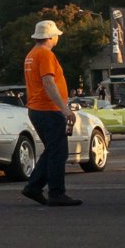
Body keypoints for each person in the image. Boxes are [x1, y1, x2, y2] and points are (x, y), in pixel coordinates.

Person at [21, 20, 82, 207]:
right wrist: (65, 109)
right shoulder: (45, 54)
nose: (57, 38)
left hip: (38, 109)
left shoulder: (31, 54)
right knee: (58, 152)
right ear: (50, 37)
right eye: (56, 35)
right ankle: (56, 192)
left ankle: (34, 186)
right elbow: (48, 82)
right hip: (48, 110)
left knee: (52, 151)